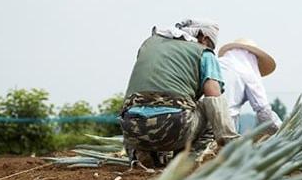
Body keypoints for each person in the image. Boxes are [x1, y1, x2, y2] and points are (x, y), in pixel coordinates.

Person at [121, 18, 238, 167]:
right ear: (204, 38)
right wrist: (228, 140)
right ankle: (186, 161)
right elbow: (213, 98)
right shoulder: (204, 53)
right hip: (175, 126)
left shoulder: (149, 44)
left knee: (139, 106)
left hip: (131, 128)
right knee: (208, 111)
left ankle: (139, 154)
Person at [218, 38, 283, 135]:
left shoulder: (215, 63)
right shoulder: (247, 73)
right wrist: (284, 130)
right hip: (225, 125)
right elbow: (264, 112)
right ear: (252, 57)